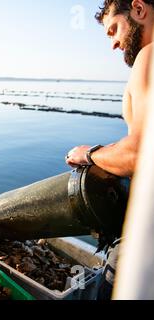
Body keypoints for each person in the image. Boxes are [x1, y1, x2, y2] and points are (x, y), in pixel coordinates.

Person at [65, 0, 154, 300]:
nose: (114, 44)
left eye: (114, 29)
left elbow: (140, 154)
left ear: (139, 10)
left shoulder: (148, 55)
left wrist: (89, 154)